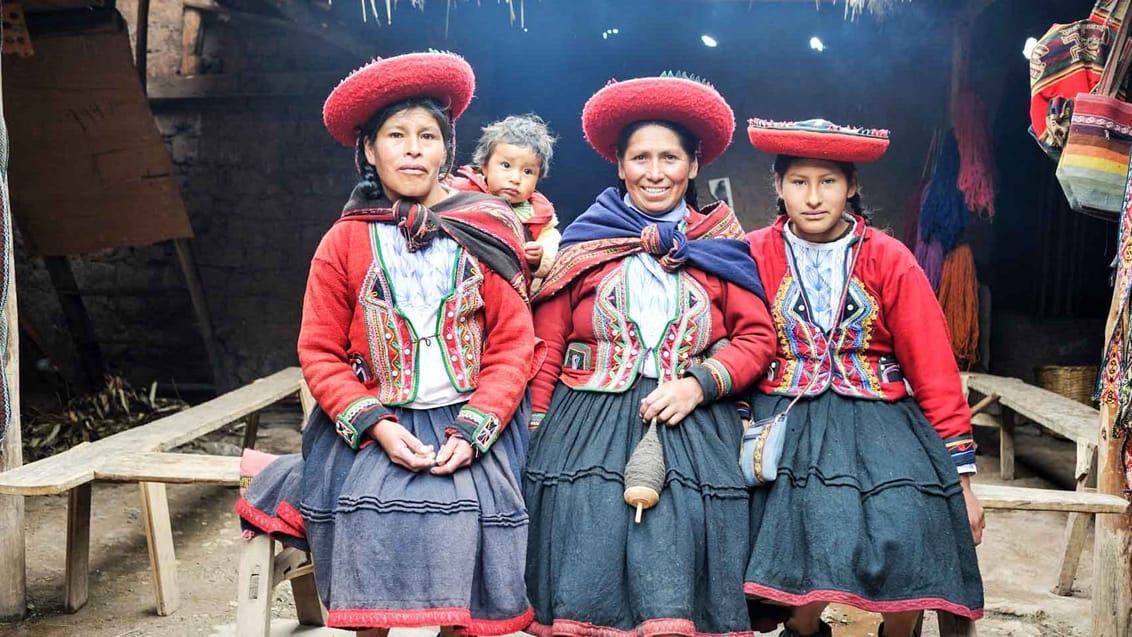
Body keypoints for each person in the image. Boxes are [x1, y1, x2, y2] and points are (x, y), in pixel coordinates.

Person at [234, 51, 537, 636]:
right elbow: (319, 351)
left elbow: (511, 346)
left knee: (470, 525)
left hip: (469, 420)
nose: (414, 148)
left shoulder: (486, 228)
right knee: (368, 521)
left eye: (428, 135)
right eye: (396, 135)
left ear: (447, 149)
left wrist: (474, 429)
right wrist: (375, 424)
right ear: (369, 151)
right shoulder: (344, 242)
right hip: (379, 421)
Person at [523, 73, 777, 637]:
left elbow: (756, 338)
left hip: (692, 418)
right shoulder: (587, 241)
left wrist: (699, 383)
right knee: (587, 539)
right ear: (619, 165)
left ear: (693, 165)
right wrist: (535, 427)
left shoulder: (719, 242)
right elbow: (548, 339)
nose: (655, 171)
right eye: (640, 157)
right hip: (584, 422)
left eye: (670, 157)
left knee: (680, 540)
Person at [742, 118, 985, 637]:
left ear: (851, 187)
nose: (812, 197)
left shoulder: (888, 257)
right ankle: (802, 630)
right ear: (778, 186)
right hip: (785, 417)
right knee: (799, 534)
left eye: (827, 182)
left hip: (882, 420)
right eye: (798, 182)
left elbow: (933, 365)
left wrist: (962, 481)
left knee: (909, 524)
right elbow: (737, 341)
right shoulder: (754, 252)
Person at [450, 114, 561, 291]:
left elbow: (552, 242)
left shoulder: (538, 215)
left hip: (510, 289)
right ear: (485, 166)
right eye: (506, 166)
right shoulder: (458, 193)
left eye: (527, 171)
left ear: (538, 178)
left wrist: (540, 257)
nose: (515, 179)